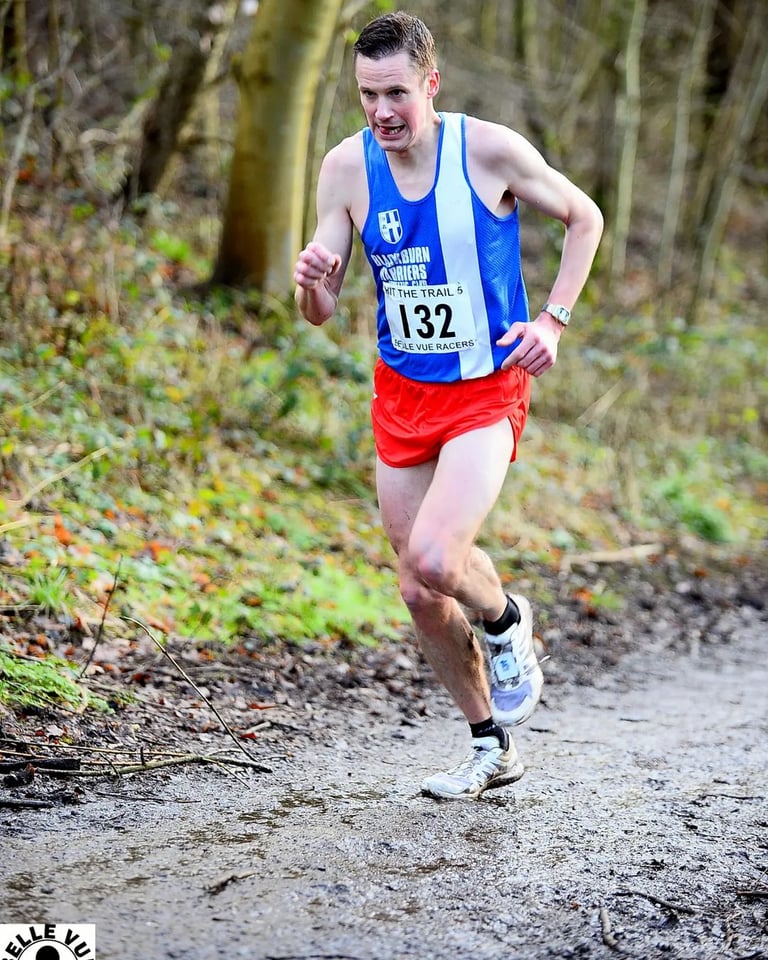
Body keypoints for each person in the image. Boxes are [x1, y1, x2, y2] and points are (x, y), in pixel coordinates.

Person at [294, 11, 603, 800]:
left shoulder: (488, 150)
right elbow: (321, 309)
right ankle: (490, 744)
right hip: (401, 395)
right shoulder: (345, 168)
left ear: (431, 83)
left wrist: (553, 320)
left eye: (396, 92)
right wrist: (313, 286)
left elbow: (585, 218)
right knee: (419, 589)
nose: (381, 111)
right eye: (367, 95)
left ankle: (505, 621)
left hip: (485, 389)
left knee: (436, 557)